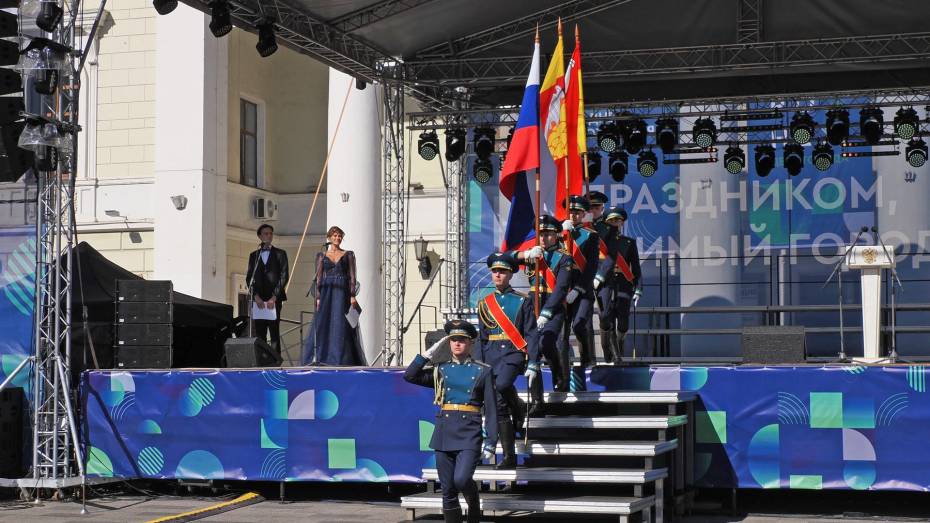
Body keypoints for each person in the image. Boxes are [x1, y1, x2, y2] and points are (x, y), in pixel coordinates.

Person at [404, 319, 497, 523]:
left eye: (462, 340)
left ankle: (473, 501)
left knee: (462, 479)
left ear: (470, 343)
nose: (457, 343)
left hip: (469, 432)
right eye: (453, 339)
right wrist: (426, 354)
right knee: (447, 488)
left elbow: (491, 408)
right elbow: (410, 376)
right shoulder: (441, 370)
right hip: (445, 432)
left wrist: (491, 441)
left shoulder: (482, 371)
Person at [474, 252, 534, 469]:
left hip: (512, 352)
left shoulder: (521, 301)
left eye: (502, 271)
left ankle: (518, 405)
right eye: (495, 271)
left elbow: (531, 332)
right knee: (498, 406)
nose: (498, 275)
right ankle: (509, 457)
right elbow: (481, 337)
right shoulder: (484, 303)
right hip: (491, 355)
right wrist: (479, 363)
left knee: (503, 384)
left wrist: (534, 360)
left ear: (510, 274)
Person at [515, 214, 574, 404]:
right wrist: (525, 255)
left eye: (548, 234)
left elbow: (562, 288)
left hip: (553, 307)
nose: (544, 238)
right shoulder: (533, 254)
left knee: (546, 344)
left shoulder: (564, 258)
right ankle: (537, 399)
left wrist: (547, 313)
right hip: (532, 306)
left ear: (556, 235)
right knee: (532, 351)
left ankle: (559, 374)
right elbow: (505, 259)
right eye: (541, 234)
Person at [302, 226, 365, 366]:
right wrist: (318, 297)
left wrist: (352, 295)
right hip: (326, 291)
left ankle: (341, 357)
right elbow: (318, 277)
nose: (337, 238)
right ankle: (323, 356)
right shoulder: (321, 255)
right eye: (335, 236)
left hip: (342, 291)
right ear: (329, 238)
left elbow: (352, 276)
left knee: (340, 323)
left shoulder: (348, 254)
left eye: (339, 236)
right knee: (325, 322)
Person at [561, 195, 610, 370]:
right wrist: (561, 233)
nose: (573, 215)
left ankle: (587, 358)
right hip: (561, 287)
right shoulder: (558, 233)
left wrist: (579, 289)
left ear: (583, 215)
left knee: (580, 323)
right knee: (562, 332)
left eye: (577, 212)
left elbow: (591, 267)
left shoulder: (590, 236)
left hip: (581, 288)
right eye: (571, 211)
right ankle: (563, 370)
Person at [603, 206, 643, 361]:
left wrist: (638, 289)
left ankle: (619, 341)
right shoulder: (602, 242)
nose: (614, 222)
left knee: (623, 321)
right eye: (611, 220)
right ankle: (615, 354)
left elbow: (636, 268)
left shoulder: (629, 242)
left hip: (624, 283)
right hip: (606, 283)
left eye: (617, 220)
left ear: (622, 222)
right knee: (607, 317)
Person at [246, 224, 289, 358]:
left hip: (273, 299)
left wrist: (274, 297)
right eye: (265, 233)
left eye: (270, 233)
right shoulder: (254, 255)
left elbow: (284, 276)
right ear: (260, 236)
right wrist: (256, 297)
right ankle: (262, 359)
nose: (268, 236)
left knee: (274, 331)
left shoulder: (280, 254)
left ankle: (275, 361)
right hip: (259, 299)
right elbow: (249, 277)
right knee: (260, 331)